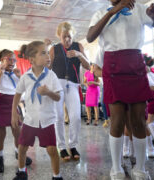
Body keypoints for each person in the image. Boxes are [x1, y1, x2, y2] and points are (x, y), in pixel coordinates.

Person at [87, 0, 154, 179]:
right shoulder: (100, 13)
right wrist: (113, 11)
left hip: (135, 62)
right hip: (113, 64)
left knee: (138, 119)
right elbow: (90, 37)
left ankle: (140, 167)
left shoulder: (140, 9)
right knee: (117, 118)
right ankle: (116, 168)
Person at [12, 41, 63, 180]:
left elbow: (58, 97)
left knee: (52, 150)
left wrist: (48, 92)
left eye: (47, 52)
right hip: (30, 120)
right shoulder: (25, 77)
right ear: (32, 59)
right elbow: (17, 94)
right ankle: (22, 172)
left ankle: (56, 176)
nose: (48, 55)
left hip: (47, 120)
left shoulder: (51, 76)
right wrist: (14, 114)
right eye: (43, 53)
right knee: (22, 147)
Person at [0, 49, 32, 173]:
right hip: (0, 102)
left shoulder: (16, 73)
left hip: (13, 103)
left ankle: (19, 155)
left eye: (14, 60)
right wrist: (1, 71)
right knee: (1, 134)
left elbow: (26, 88)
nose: (12, 62)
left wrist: (20, 76)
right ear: (2, 60)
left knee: (17, 132)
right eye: (9, 59)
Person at [49, 22, 90, 161]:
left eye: (70, 37)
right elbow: (48, 68)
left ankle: (73, 145)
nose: (67, 40)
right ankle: (61, 147)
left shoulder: (78, 46)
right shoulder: (54, 49)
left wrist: (79, 54)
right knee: (58, 117)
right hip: (57, 84)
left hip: (73, 84)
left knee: (76, 117)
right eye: (64, 37)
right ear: (59, 36)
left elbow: (88, 66)